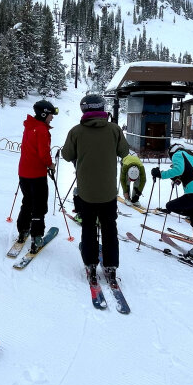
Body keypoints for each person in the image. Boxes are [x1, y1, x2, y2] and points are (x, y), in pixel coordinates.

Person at [61, 94, 129, 286]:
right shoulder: (114, 130)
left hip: (86, 192)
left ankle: (90, 263)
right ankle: (111, 265)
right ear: (102, 107)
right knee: (109, 228)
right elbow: (124, 152)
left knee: (88, 227)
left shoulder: (76, 131)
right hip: (108, 192)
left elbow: (67, 155)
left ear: (84, 110)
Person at [151, 143, 193, 263]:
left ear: (172, 152)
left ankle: (191, 215)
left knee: (170, 206)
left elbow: (178, 169)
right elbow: (192, 172)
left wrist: (161, 174)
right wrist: (178, 178)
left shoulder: (178, 154)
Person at [15, 100, 58, 252]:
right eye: (51, 115)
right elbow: (43, 153)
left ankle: (22, 230)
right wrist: (51, 165)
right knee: (39, 205)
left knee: (27, 201)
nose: (52, 118)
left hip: (24, 172)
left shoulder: (29, 126)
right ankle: (36, 237)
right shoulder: (41, 129)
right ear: (44, 114)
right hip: (36, 174)